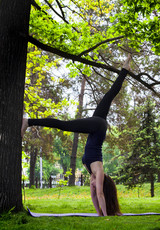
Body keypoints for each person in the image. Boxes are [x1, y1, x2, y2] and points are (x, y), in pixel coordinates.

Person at [21, 54, 131, 216]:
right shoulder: (99, 171)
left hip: (98, 123)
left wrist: (100, 214)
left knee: (109, 95)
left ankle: (124, 69)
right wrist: (107, 218)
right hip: (98, 127)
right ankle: (28, 122)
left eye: (92, 184)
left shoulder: (90, 171)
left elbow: (94, 196)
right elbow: (100, 195)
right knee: (65, 125)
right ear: (101, 180)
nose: (92, 184)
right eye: (95, 183)